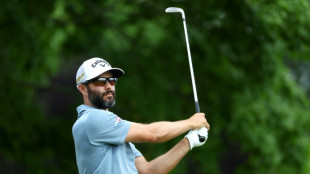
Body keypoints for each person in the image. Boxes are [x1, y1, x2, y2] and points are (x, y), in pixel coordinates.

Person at [72, 57, 210, 174]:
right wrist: (191, 122)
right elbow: (153, 134)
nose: (109, 86)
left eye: (112, 80)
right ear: (82, 88)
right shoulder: (92, 119)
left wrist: (189, 141)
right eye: (101, 81)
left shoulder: (112, 129)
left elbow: (148, 170)